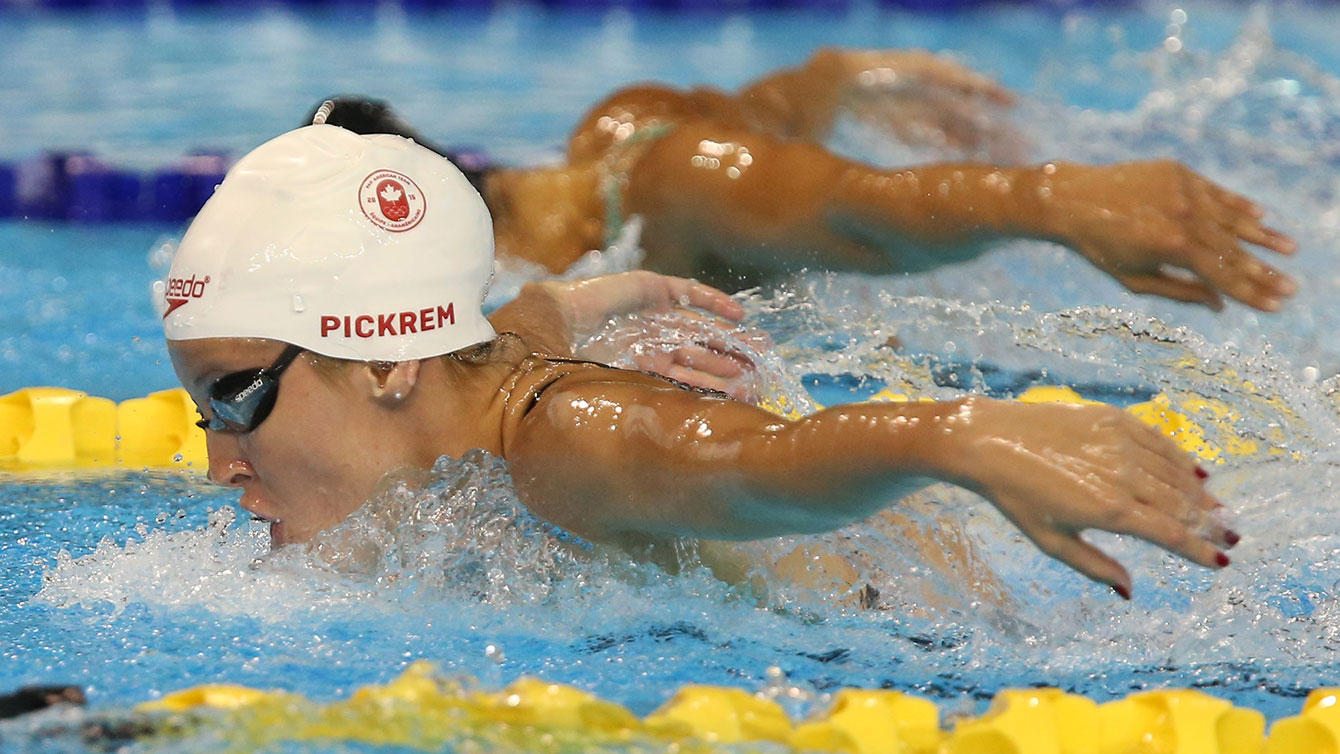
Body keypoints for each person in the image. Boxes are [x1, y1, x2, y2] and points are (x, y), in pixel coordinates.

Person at [166, 125, 1236, 603]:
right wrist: (576, 299)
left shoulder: (565, 443)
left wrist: (959, 434)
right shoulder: (471, 382)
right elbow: (515, 327)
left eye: (234, 397)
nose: (220, 463)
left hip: (959, 654)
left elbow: (753, 464)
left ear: (386, 358)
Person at [307, 47, 1297, 313]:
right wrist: (851, 75)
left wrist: (1055, 199)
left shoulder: (673, 184)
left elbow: (868, 217)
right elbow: (780, 108)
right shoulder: (612, 130)